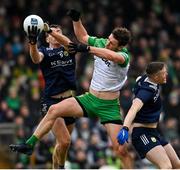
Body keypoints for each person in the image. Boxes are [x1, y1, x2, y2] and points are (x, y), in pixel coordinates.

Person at [10, 10, 133, 168]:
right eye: (108, 39)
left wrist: (86, 49)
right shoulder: (46, 52)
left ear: (121, 46)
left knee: (120, 150)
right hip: (88, 99)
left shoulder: (124, 56)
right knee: (58, 124)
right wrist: (77, 20)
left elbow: (112, 56)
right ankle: (29, 144)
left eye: (112, 43)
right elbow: (82, 38)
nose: (107, 43)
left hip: (109, 107)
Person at [16, 23, 77, 169]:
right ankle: (60, 167)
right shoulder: (44, 51)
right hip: (52, 101)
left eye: (59, 31)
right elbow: (36, 58)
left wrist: (51, 30)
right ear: (47, 38)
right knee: (65, 141)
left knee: (62, 145)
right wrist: (32, 42)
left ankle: (56, 167)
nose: (56, 33)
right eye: (52, 32)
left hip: (69, 101)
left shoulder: (69, 49)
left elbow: (68, 42)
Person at [117, 62, 180, 169]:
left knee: (177, 165)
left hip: (154, 132)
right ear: (156, 76)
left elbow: (139, 79)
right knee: (166, 166)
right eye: (164, 73)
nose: (167, 75)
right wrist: (125, 128)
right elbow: (133, 109)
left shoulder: (147, 78)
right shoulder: (146, 92)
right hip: (143, 134)